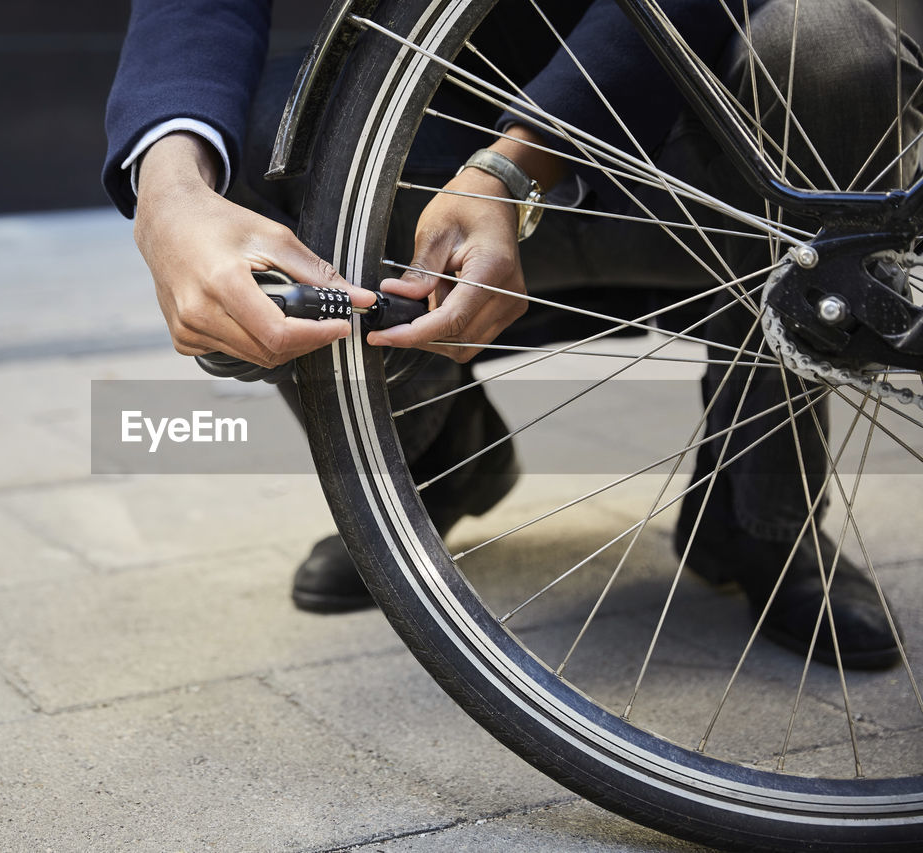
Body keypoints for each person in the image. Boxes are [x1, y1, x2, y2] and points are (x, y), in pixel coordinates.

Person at [103, 0, 919, 669]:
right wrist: (169, 190)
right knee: (255, 137)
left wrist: (518, 161)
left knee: (832, 48)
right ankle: (432, 456)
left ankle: (762, 516)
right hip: (448, 124)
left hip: (711, 115)